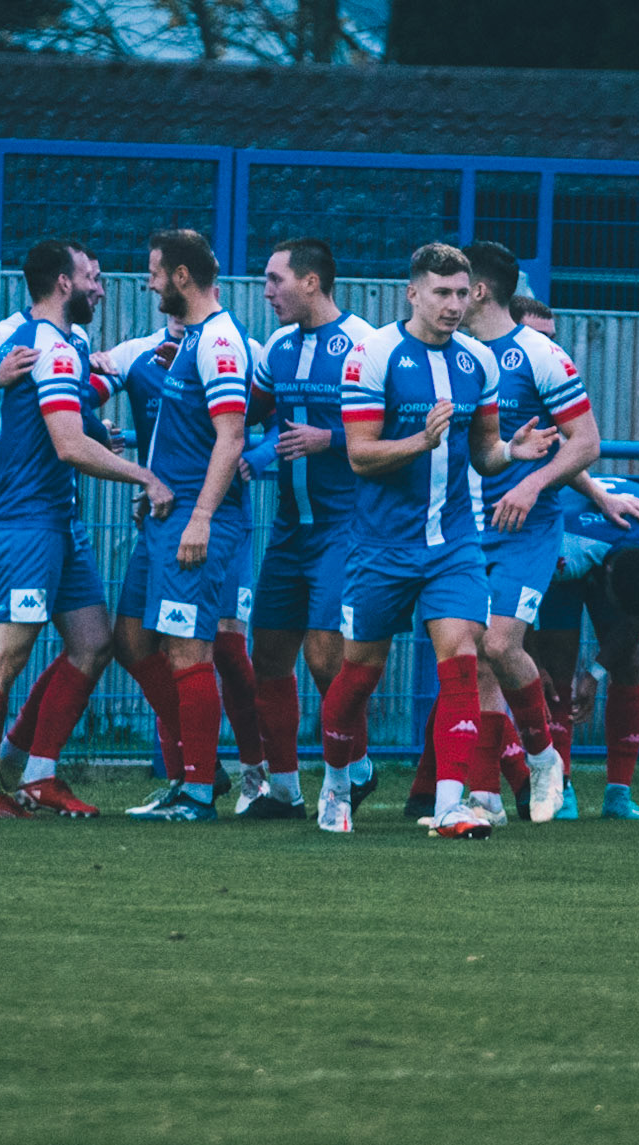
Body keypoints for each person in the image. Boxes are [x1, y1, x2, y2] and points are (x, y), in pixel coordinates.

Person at [317, 241, 556, 837]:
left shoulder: (480, 362)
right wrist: (419, 443)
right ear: (413, 293)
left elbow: (482, 454)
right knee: (358, 675)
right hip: (381, 548)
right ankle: (336, 782)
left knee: (462, 657)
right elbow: (360, 456)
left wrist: (510, 453)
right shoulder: (371, 355)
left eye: (460, 293)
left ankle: (451, 805)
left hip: (453, 543)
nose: (453, 305)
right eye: (441, 293)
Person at [0, 238, 173, 819]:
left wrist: (99, 425)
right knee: (6, 653)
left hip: (58, 521)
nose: (101, 288)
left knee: (93, 643)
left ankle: (36, 773)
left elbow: (54, 420)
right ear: (63, 283)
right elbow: (61, 442)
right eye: (93, 278)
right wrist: (144, 477)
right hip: (20, 522)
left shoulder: (71, 342)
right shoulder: (29, 341)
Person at [109, 228, 254, 822]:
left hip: (196, 521)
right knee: (130, 641)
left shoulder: (219, 341)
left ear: (182, 277)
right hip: (164, 517)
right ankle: (198, 770)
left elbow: (232, 436)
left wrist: (201, 517)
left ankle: (196, 791)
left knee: (190, 653)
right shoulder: (190, 340)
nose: (148, 281)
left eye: (154, 271)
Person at [455, 240, 600, 825]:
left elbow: (587, 442)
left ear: (481, 291)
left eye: (459, 288)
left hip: (525, 525)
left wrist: (532, 484)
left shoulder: (538, 354)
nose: (452, 299)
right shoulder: (453, 352)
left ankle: (543, 758)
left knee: (499, 644)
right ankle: (484, 792)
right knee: (475, 658)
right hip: (462, 525)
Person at [242, 237, 377, 820]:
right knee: (268, 656)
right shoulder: (276, 346)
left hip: (344, 526)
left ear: (312, 282)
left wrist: (332, 439)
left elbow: (398, 429)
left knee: (327, 660)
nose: (267, 291)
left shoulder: (366, 346)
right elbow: (253, 412)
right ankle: (285, 789)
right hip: (288, 528)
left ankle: (354, 768)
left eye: (275, 280)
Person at [538, 473, 639, 821]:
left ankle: (619, 795)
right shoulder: (564, 548)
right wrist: (534, 664)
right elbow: (519, 610)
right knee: (557, 661)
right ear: (605, 579)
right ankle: (561, 788)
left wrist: (595, 674)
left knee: (630, 661)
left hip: (616, 547)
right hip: (567, 536)